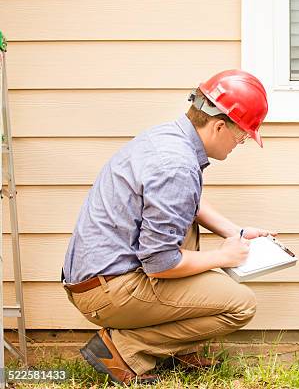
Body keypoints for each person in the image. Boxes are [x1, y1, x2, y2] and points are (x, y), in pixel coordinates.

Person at [62, 70, 274, 385]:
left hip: (101, 277)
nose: (242, 141)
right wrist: (223, 257)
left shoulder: (168, 138)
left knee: (184, 233)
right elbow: (160, 263)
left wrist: (235, 233)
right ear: (218, 125)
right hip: (109, 290)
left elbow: (187, 204)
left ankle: (168, 349)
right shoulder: (176, 166)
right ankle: (124, 350)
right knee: (241, 304)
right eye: (242, 134)